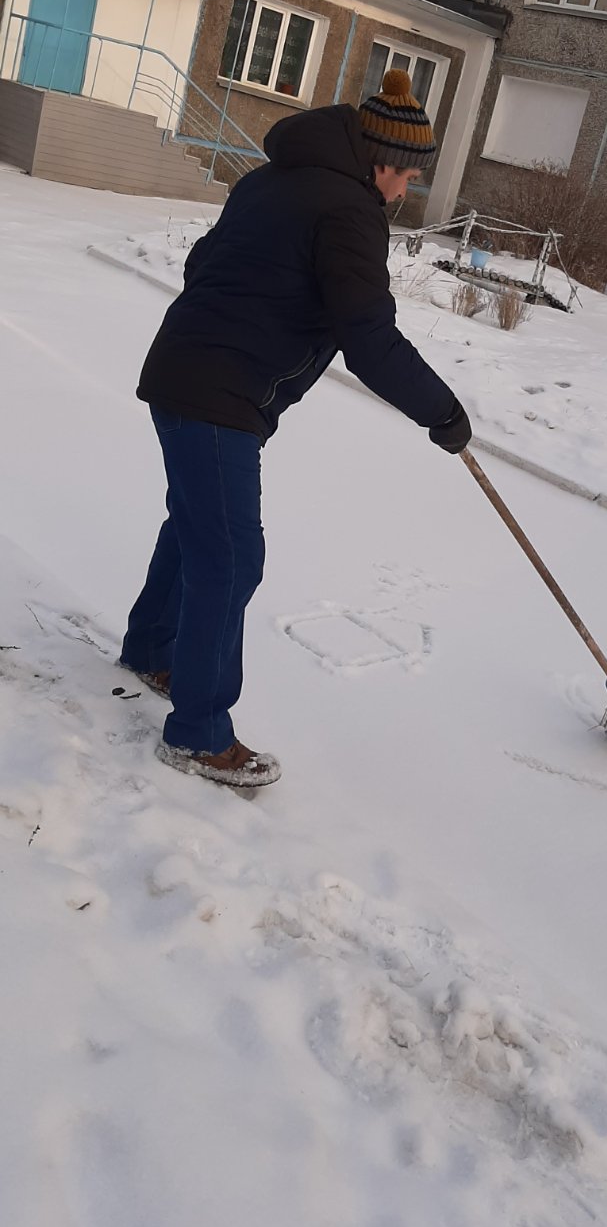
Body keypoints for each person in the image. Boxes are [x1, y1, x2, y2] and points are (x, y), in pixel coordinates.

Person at [121, 68, 472, 787]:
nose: (404, 191)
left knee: (197, 527)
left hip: (183, 370)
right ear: (378, 162)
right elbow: (371, 338)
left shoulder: (269, 179)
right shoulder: (350, 211)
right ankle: (197, 733)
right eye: (405, 175)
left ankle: (152, 648)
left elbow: (203, 264)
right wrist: (443, 412)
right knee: (231, 557)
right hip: (221, 390)